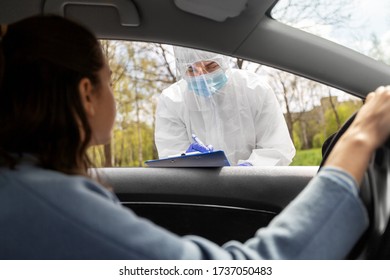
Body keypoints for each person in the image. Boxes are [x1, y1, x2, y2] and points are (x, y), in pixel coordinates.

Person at [0, 14, 388, 260]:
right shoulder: (51, 203)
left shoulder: (29, 185)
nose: (201, 74)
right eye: (111, 82)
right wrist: (357, 143)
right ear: (87, 94)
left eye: (210, 65)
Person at [154, 46, 296, 166]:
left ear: (223, 60)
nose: (202, 76)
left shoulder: (254, 89)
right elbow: (171, 154)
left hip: (256, 187)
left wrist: (249, 170)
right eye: (192, 70)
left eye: (210, 66)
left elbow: (277, 148)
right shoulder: (172, 100)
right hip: (200, 192)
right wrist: (187, 160)